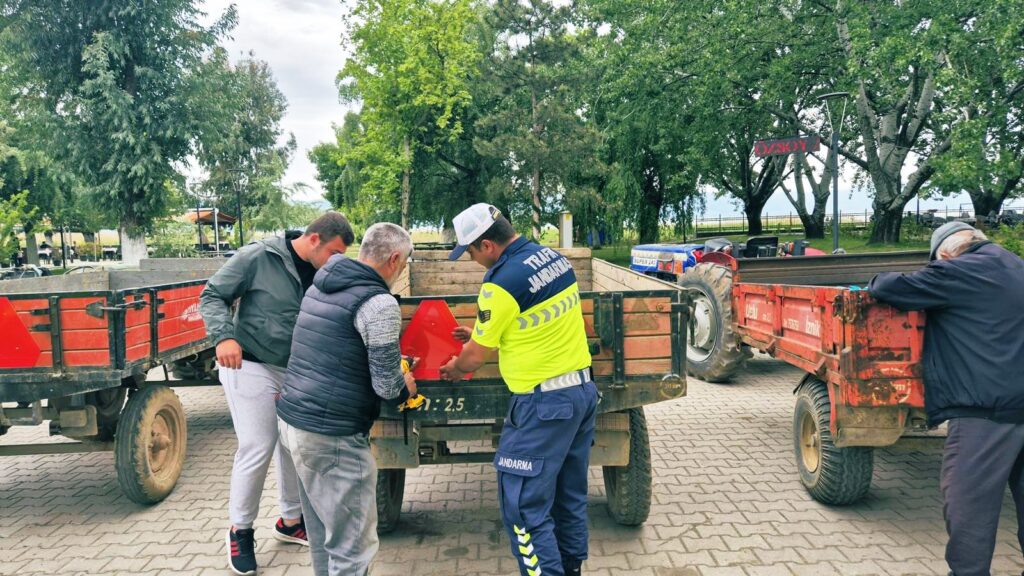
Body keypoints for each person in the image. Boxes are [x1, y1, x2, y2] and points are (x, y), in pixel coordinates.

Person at [439, 204, 598, 576]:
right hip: (581, 394)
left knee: (524, 510)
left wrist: (456, 367)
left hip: (543, 407)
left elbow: (474, 359)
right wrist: (478, 335)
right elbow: (531, 321)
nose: (474, 261)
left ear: (487, 245)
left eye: (472, 252)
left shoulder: (500, 282)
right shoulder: (552, 258)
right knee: (568, 499)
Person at [199, 211, 354, 576]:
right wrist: (224, 337)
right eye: (333, 252)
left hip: (297, 368)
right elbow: (212, 295)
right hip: (250, 362)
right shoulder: (258, 257)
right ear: (314, 239)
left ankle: (289, 521)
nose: (335, 261)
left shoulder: (323, 269)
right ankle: (240, 529)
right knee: (258, 444)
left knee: (293, 445)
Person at [868, 221, 1024, 576]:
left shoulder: (961, 271)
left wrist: (875, 279)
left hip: (987, 413)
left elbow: (892, 286)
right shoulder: (1016, 264)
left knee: (969, 504)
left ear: (945, 253)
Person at [277, 222, 417, 576]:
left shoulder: (320, 284)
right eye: (401, 268)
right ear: (394, 259)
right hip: (333, 437)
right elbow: (387, 385)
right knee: (352, 549)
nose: (399, 274)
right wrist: (407, 385)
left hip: (294, 424)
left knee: (326, 537)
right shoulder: (378, 302)